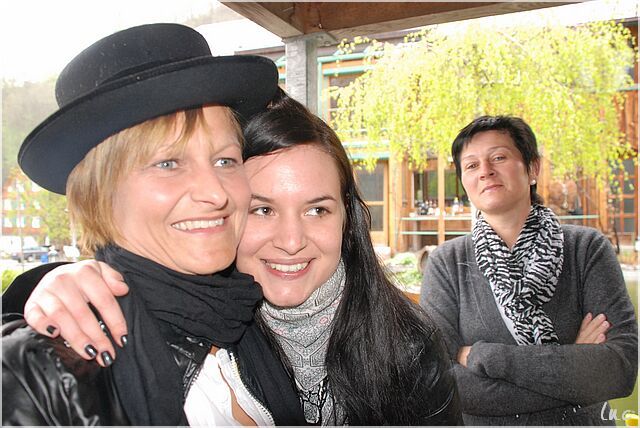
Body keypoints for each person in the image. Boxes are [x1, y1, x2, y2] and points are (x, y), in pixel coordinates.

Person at [5, 90, 463, 425]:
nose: (291, 241)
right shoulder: (231, 318)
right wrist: (50, 284)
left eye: (317, 209)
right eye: (263, 209)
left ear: (348, 219)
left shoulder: (402, 343)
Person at [2, 23, 306, 426]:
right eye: (168, 163)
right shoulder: (39, 374)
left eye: (225, 160)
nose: (215, 193)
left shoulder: (250, 318)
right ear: (98, 194)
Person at [419, 115, 638, 425]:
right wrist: (572, 368)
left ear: (533, 168)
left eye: (499, 157)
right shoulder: (447, 263)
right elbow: (440, 384)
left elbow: (619, 369)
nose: (485, 171)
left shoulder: (586, 249)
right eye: (471, 165)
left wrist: (485, 357)